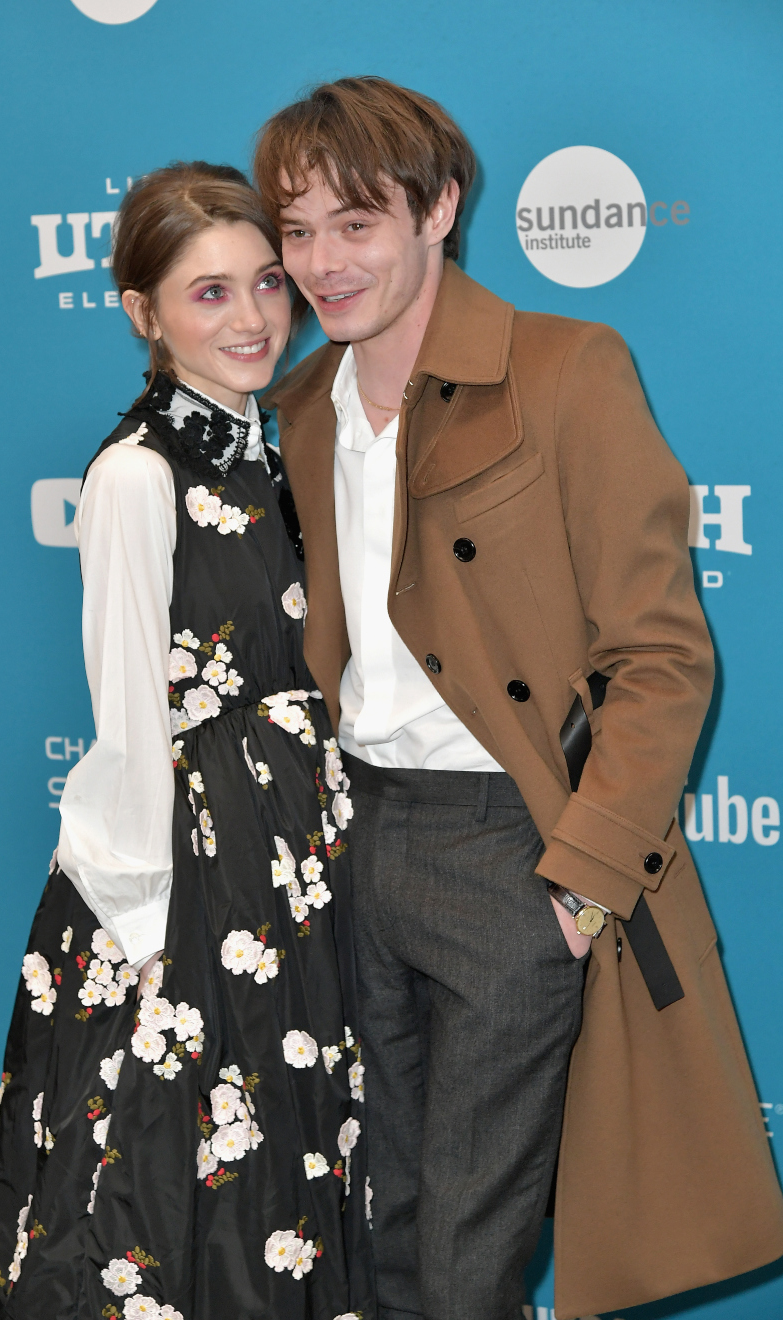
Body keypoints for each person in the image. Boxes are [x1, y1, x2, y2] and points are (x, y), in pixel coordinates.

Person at [253, 78, 783, 1320]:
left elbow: (660, 655)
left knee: (462, 1266)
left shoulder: (561, 370)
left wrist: (581, 882)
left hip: (508, 852)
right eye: (298, 231)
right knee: (374, 1233)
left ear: (439, 208)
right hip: (351, 844)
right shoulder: (299, 414)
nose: (323, 264)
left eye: (356, 223)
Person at [0, 161, 373, 1320]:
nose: (252, 318)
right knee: (163, 1207)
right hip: (189, 884)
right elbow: (128, 721)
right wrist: (154, 940)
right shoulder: (135, 476)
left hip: (298, 867)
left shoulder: (280, 452)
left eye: (266, 283)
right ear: (142, 312)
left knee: (290, 1184)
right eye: (209, 293)